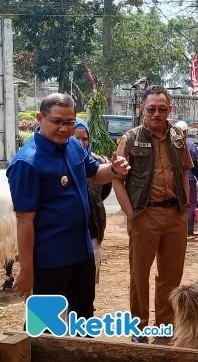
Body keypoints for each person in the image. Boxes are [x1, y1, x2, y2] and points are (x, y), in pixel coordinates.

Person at [7, 93, 130, 324]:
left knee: (83, 315)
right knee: (44, 325)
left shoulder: (73, 145)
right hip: (49, 260)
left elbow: (94, 173)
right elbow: (24, 222)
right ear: (39, 119)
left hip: (82, 253)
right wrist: (26, 270)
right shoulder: (27, 163)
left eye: (70, 122)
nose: (64, 128)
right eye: (57, 121)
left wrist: (113, 169)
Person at [112, 85, 194, 344]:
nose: (157, 114)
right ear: (142, 109)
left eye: (162, 109)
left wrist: (186, 208)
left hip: (175, 215)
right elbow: (116, 180)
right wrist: (131, 214)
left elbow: (184, 174)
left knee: (171, 276)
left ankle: (164, 328)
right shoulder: (131, 139)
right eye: (151, 109)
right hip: (144, 215)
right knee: (139, 274)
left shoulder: (179, 137)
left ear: (170, 110)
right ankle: (139, 328)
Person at [73, 118, 113, 302]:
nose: (81, 143)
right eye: (76, 138)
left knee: (88, 278)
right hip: (66, 234)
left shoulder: (97, 163)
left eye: (85, 138)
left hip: (92, 233)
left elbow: (103, 192)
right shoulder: (61, 163)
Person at [174, 121, 198, 236]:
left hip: (174, 179)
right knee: (191, 203)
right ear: (186, 132)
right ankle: (188, 228)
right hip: (189, 178)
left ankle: (176, 228)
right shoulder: (189, 145)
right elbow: (194, 164)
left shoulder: (169, 144)